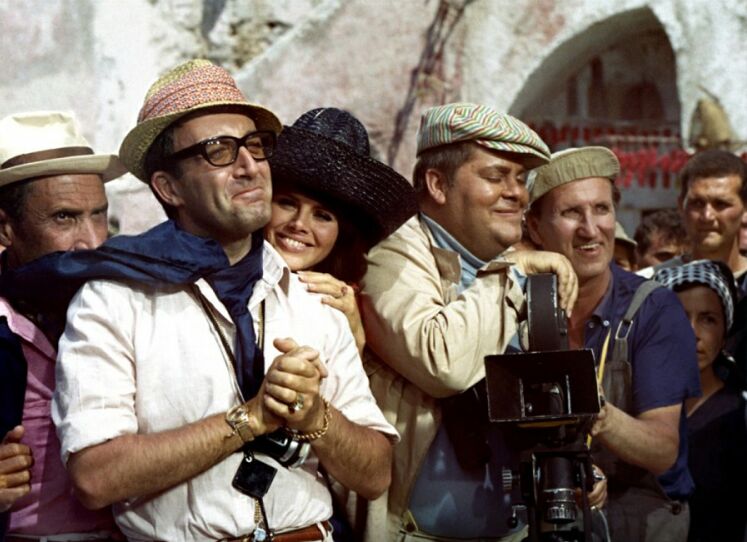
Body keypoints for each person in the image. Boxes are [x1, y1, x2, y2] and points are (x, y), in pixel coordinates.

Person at [28, 59, 397, 541]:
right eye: (218, 151)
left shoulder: (309, 300)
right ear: (169, 187)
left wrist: (316, 417)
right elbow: (95, 477)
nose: (249, 167)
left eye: (255, 146)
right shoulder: (113, 299)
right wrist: (250, 419)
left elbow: (376, 475)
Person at [360, 102, 581, 541]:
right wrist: (512, 270)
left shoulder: (504, 269)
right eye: (496, 176)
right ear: (437, 184)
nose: (517, 193)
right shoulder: (392, 256)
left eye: (521, 179)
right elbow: (442, 363)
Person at [525, 146, 701, 542]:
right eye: (571, 213)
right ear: (534, 227)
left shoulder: (653, 309)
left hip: (641, 520)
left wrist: (594, 413)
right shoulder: (517, 304)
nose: (591, 229)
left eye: (602, 209)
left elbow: (663, 449)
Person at [0, 111, 125, 540]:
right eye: (64, 218)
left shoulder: (131, 303)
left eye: (99, 215)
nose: (91, 241)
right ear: (5, 229)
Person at [266, 107, 417, 354]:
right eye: (287, 203)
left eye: (322, 216)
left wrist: (354, 337)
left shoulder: (349, 305)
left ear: (342, 234)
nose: (299, 224)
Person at [654, 260, 747, 542]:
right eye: (680, 317)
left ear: (725, 333)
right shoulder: (639, 408)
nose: (693, 332)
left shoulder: (738, 413)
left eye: (708, 319)